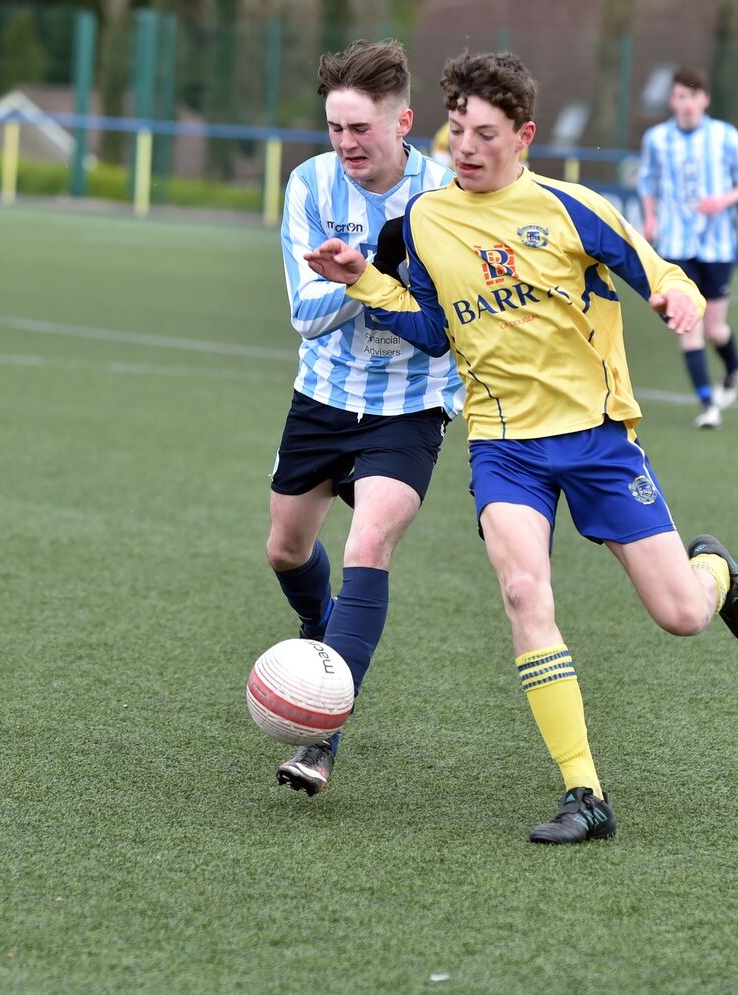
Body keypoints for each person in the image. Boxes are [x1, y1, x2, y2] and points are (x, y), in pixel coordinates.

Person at [305, 50, 738, 844]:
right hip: (503, 446)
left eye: (485, 134)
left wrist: (675, 297)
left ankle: (717, 572)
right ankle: (584, 793)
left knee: (681, 615)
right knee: (525, 594)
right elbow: (431, 333)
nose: (467, 148)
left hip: (598, 443)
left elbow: (666, 272)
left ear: (524, 135)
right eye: (457, 131)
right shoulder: (423, 220)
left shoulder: (571, 208)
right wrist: (362, 280)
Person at [267, 39, 460, 795]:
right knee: (286, 550)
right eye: (335, 128)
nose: (346, 144)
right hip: (322, 393)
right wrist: (367, 280)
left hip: (411, 403)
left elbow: (446, 322)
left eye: (361, 129)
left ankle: (321, 734)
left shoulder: (444, 196)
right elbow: (304, 315)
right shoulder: (311, 185)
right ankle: (324, 634)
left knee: (369, 542)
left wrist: (367, 278)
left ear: (402, 121)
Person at [638, 67, 738, 430]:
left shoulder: (724, 136)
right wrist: (650, 217)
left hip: (718, 246)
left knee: (714, 329)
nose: (687, 104)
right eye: (680, 96)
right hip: (677, 246)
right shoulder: (657, 139)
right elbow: (647, 181)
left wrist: (724, 200)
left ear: (705, 100)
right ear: (672, 100)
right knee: (688, 326)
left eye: (693, 97)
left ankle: (733, 366)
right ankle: (708, 405)